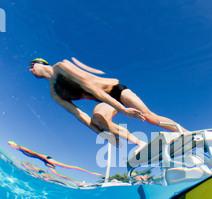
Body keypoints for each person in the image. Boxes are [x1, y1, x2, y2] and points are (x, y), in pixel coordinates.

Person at [29, 57, 187, 150]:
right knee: (98, 119)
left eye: (32, 66)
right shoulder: (55, 93)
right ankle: (141, 144)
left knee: (148, 116)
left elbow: (92, 88)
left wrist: (124, 110)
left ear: (42, 63)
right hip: (105, 101)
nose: (30, 70)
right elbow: (80, 115)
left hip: (116, 91)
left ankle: (187, 134)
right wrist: (103, 135)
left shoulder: (61, 67)